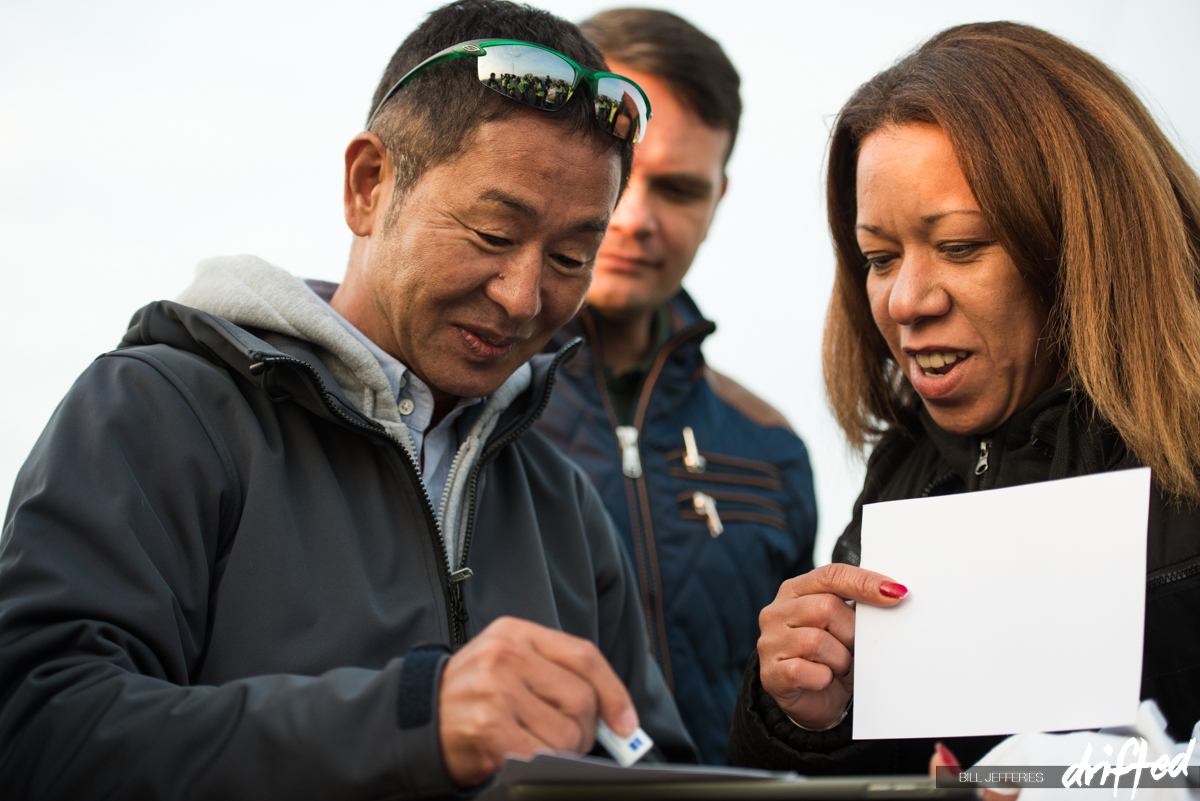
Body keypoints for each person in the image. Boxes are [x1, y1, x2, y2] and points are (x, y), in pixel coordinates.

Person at [0, 2, 695, 798]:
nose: (523, 295)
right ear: (369, 185)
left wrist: (784, 718)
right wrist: (407, 719)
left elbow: (653, 765)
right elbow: (36, 730)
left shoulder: (562, 501)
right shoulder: (154, 411)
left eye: (573, 255)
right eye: (493, 236)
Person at [726, 21, 1200, 774]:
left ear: (1080, 242)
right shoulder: (903, 472)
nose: (907, 300)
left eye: (961, 246)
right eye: (879, 258)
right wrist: (802, 714)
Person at [534, 8, 817, 764]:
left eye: (681, 189)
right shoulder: (461, 408)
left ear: (718, 200)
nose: (639, 219)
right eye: (622, 172)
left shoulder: (770, 443)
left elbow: (801, 713)